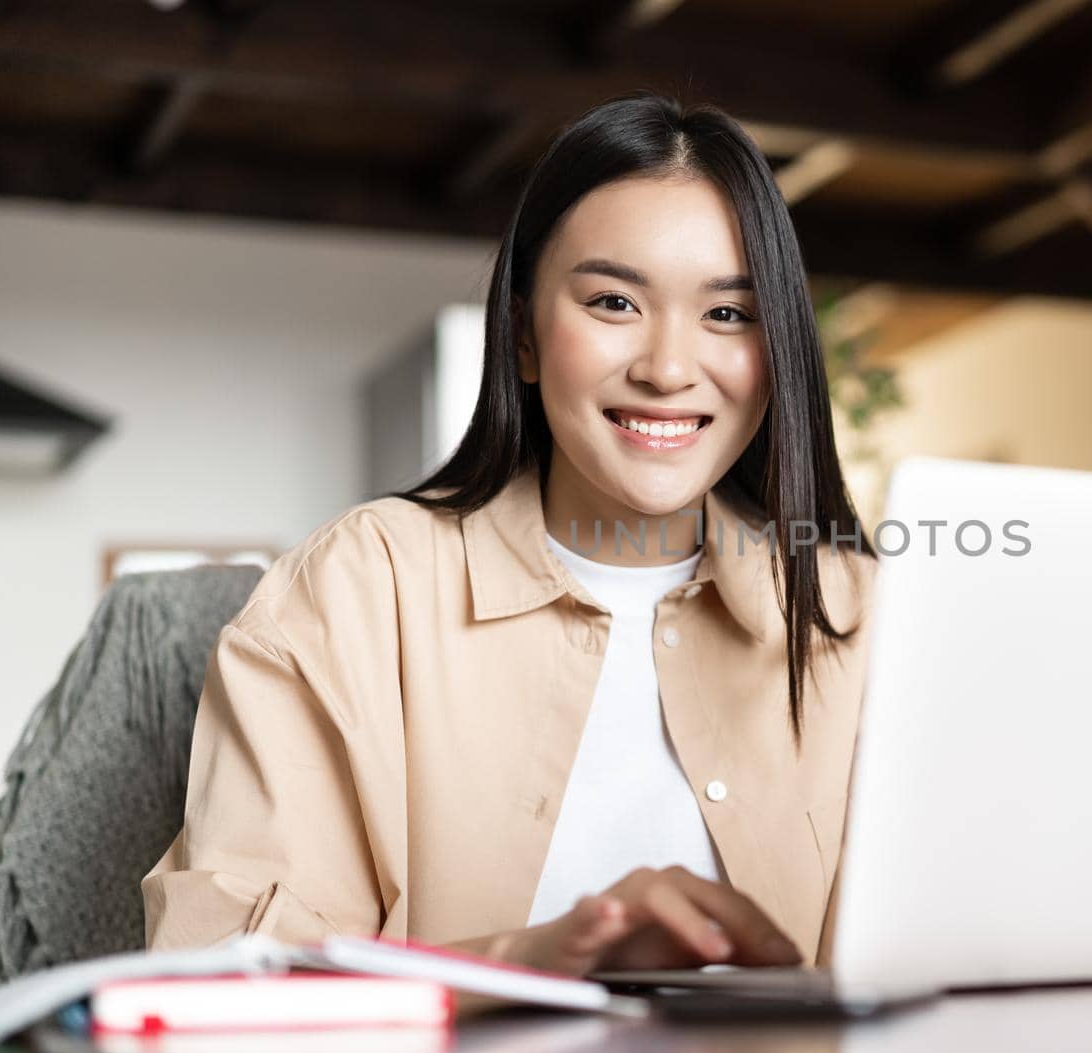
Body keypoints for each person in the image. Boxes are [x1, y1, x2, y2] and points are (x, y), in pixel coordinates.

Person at [141, 90, 878, 976]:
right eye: (614, 302)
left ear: (776, 356)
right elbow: (228, 978)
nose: (669, 368)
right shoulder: (361, 586)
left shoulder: (863, 617)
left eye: (728, 313)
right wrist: (531, 960)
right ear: (525, 335)